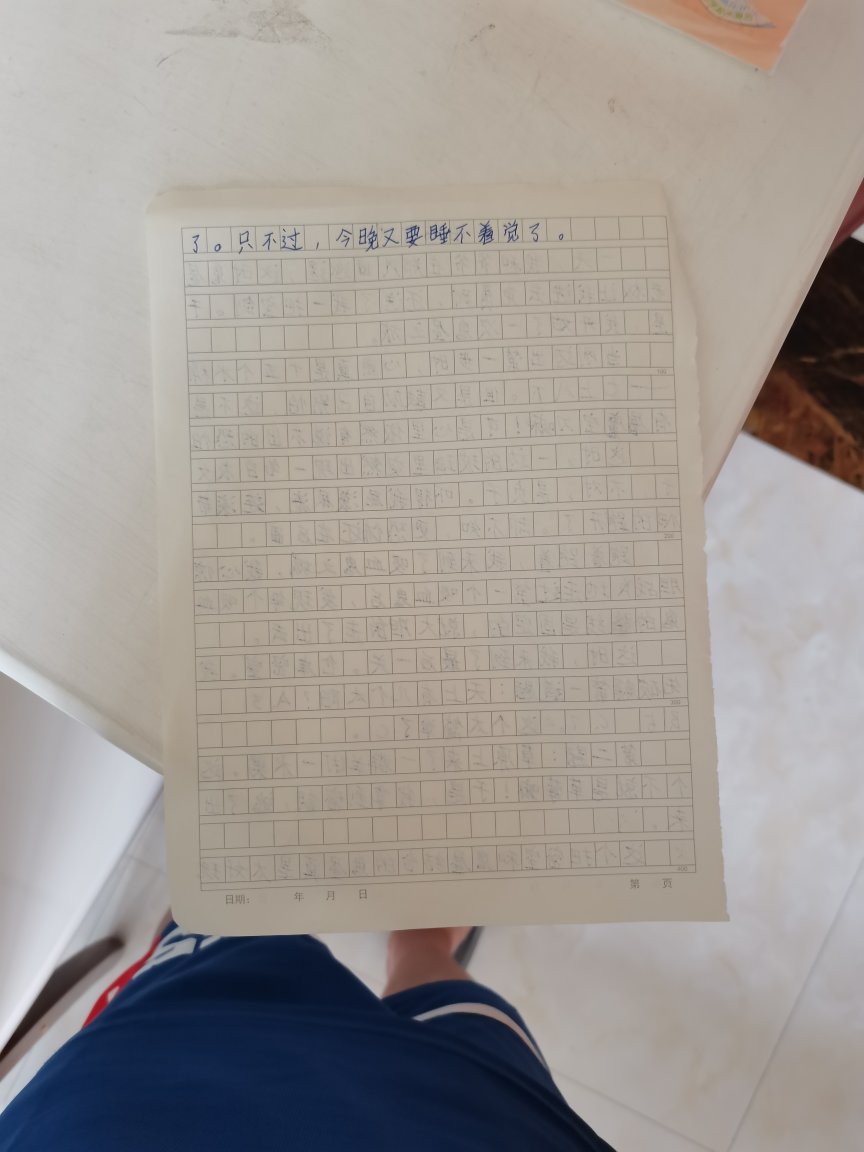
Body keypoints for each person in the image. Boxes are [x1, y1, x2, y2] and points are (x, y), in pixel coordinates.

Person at [0, 921, 615, 1150]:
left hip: (145, 1089)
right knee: (458, 1012)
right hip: (473, 1122)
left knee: (230, 925)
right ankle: (421, 941)